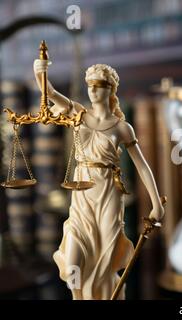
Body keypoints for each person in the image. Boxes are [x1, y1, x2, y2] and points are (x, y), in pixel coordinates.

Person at [33, 60, 164, 300]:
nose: (93, 90)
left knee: (105, 262)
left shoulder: (123, 128)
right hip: (82, 194)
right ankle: (78, 296)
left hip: (108, 195)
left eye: (99, 85)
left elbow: (142, 167)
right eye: (89, 85)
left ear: (111, 89)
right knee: (73, 264)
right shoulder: (78, 113)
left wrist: (156, 204)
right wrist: (39, 71)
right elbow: (49, 93)